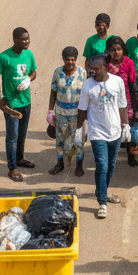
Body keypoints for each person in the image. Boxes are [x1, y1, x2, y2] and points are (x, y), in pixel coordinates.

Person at [77, 54, 131, 218]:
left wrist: (126, 125)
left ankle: (102, 190)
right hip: (97, 132)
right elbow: (82, 110)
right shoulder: (87, 85)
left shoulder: (117, 82)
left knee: (111, 165)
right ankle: (102, 202)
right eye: (90, 69)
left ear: (106, 67)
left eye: (96, 69)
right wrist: (79, 130)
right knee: (101, 165)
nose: (92, 71)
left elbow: (122, 105)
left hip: (114, 130)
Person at [0, 27, 37, 182]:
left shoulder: (29, 54)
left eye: (27, 38)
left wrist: (29, 79)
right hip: (11, 104)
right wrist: (0, 97)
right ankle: (12, 168)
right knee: (12, 136)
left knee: (22, 134)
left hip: (26, 101)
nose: (26, 41)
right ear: (15, 39)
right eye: (22, 39)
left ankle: (19, 158)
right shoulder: (4, 57)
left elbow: (33, 72)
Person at [48, 46, 87, 178]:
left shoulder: (83, 73)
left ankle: (79, 165)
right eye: (67, 60)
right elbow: (53, 91)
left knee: (78, 141)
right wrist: (50, 111)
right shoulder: (57, 72)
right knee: (60, 140)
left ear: (76, 60)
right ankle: (60, 164)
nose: (70, 62)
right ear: (63, 59)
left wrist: (87, 114)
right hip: (61, 114)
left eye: (72, 60)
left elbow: (87, 94)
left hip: (77, 115)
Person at [104, 35, 138, 166]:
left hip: (126, 102)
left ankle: (131, 156)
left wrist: (136, 107)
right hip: (109, 103)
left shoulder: (128, 63)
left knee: (129, 130)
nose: (116, 52)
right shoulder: (105, 64)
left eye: (119, 49)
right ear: (108, 51)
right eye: (113, 49)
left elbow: (132, 85)